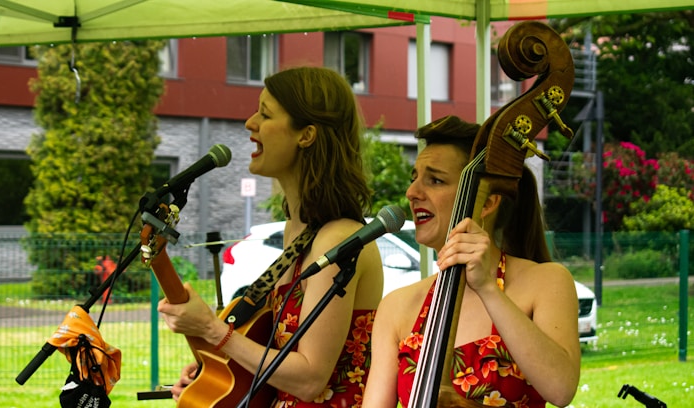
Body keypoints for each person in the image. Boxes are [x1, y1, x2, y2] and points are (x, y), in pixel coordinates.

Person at [158, 66, 384, 407]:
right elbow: (280, 355)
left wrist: (212, 330)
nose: (250, 123)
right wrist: (224, 371)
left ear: (306, 135)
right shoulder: (301, 229)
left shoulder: (338, 239)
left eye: (265, 114)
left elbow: (310, 378)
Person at [362, 115, 581, 407]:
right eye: (414, 178)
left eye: (435, 180)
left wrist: (488, 288)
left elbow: (561, 389)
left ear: (488, 202)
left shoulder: (546, 281)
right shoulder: (397, 306)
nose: (411, 193)